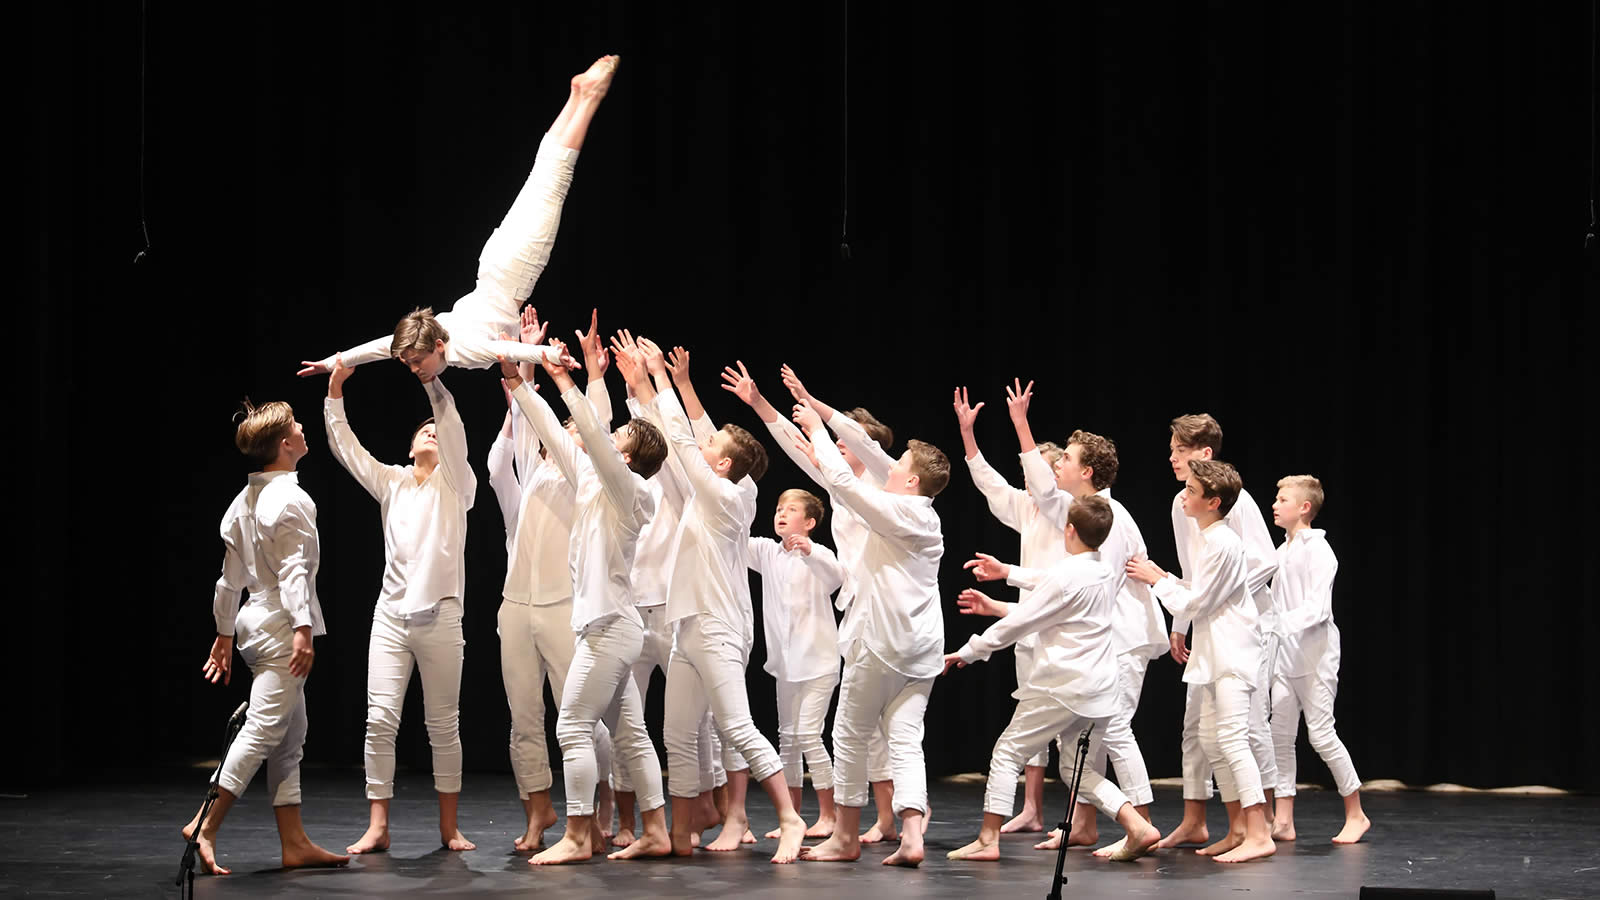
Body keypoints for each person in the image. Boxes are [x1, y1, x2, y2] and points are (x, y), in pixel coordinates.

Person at [296, 56, 620, 382]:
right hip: (495, 263)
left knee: (553, 183)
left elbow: (503, 353)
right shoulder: (435, 330)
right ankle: (577, 96)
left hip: (515, 269)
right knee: (543, 179)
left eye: (415, 362)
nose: (414, 369)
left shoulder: (456, 350)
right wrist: (335, 360)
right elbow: (386, 347)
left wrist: (547, 354)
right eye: (410, 363)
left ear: (436, 346)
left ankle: (588, 97)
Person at [612, 337, 808, 864]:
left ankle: (791, 819)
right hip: (688, 626)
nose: (704, 445)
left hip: (719, 627)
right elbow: (694, 435)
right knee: (676, 732)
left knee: (738, 727)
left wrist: (656, 380)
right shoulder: (724, 483)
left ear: (722, 465)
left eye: (713, 448)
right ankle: (674, 835)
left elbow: (679, 439)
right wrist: (669, 385)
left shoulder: (724, 497)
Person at [499, 336, 673, 864]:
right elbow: (556, 431)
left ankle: (577, 834)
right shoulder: (595, 482)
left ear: (626, 454)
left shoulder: (632, 490)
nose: (601, 439)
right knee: (630, 731)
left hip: (609, 628)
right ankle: (657, 831)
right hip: (604, 625)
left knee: (572, 724)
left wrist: (565, 379)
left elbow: (590, 436)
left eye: (614, 437)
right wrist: (517, 379)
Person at [944, 495, 1162, 863]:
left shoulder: (1066, 577)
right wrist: (1009, 572)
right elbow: (1051, 593)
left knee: (1008, 752)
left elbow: (1022, 621)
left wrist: (970, 649)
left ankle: (987, 839)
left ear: (1070, 530)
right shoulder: (1103, 571)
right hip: (1098, 687)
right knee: (1073, 769)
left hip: (1062, 685)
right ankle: (1136, 824)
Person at [182, 400, 347, 875]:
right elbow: (295, 571)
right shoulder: (292, 498)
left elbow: (228, 580)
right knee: (263, 729)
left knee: (291, 734)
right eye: (296, 425)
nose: (301, 428)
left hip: (255, 619)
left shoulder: (241, 503)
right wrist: (301, 628)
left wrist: (224, 633)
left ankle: (294, 842)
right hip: (279, 624)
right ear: (284, 444)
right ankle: (204, 824)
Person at [788, 398, 949, 867]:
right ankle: (912, 834)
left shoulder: (901, 512)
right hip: (921, 649)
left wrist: (819, 428)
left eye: (899, 463)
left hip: (883, 643)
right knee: (905, 737)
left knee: (850, 732)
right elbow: (851, 468)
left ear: (913, 479)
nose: (891, 466)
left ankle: (845, 837)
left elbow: (841, 480)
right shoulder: (925, 514)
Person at [324, 359, 477, 854]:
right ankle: (378, 825)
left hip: (440, 616)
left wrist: (432, 384)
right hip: (390, 617)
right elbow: (347, 450)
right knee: (379, 720)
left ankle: (449, 827)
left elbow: (449, 421)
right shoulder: (391, 482)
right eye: (423, 430)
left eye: (437, 431)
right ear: (409, 446)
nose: (432, 432)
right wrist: (335, 396)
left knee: (442, 725)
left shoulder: (457, 484)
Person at [484, 307, 617, 850]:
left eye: (571, 428)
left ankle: (601, 799)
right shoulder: (532, 466)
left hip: (564, 606)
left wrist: (593, 376)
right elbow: (523, 414)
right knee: (523, 716)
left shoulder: (584, 474)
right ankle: (538, 809)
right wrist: (523, 355)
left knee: (578, 717)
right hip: (516, 607)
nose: (561, 433)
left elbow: (594, 426)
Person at [1128, 459, 1275, 863]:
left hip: (1232, 651)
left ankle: (1260, 832)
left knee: (1231, 738)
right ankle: (1238, 828)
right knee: (1212, 740)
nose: (1184, 496)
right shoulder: (1212, 541)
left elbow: (1198, 602)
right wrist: (1163, 576)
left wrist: (1157, 580)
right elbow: (1200, 592)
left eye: (1191, 491)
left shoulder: (1224, 543)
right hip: (1215, 651)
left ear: (1213, 502)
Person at [1267, 475, 1370, 844]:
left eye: (1282, 499)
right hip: (1285, 658)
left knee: (1322, 735)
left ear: (1304, 507)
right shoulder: (1279, 553)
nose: (1275, 505)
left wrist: (1275, 626)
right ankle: (1283, 818)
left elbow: (1317, 609)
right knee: (1279, 737)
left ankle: (1356, 814)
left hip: (1315, 655)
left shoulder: (1318, 550)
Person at [747, 489, 845, 838]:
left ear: (810, 522)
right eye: (778, 508)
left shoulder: (819, 556)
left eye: (791, 510)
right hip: (785, 665)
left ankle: (830, 815)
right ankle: (792, 816)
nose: (781, 514)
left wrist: (810, 550)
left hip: (819, 662)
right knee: (787, 739)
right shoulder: (767, 552)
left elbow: (836, 576)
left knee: (808, 734)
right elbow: (732, 538)